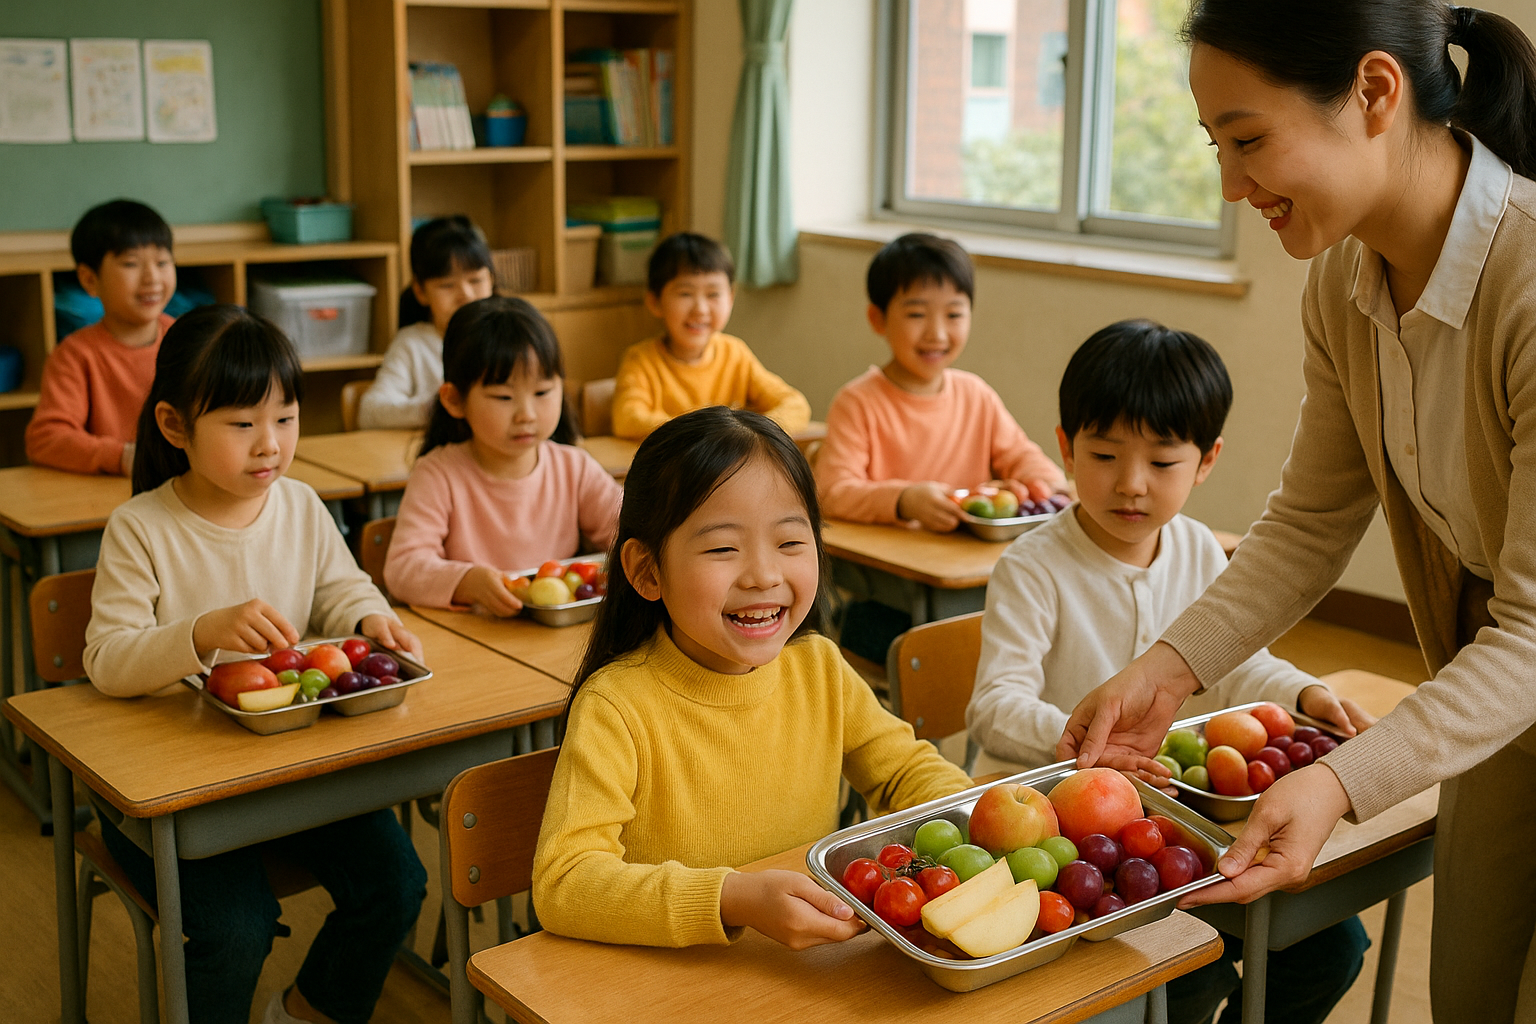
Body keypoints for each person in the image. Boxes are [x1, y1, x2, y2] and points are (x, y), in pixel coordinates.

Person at [1057, 4, 1536, 1021]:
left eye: (1248, 140)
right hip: (1497, 706)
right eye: (1215, 146)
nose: (1232, 186)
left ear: (1373, 93)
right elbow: (1311, 523)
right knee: (1473, 996)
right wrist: (1166, 668)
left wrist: (1341, 782)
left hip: (1516, 664)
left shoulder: (1529, 278)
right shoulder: (1345, 286)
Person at [969, 319, 1373, 1024]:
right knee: (1177, 972)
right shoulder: (1032, 566)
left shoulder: (1198, 552)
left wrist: (1302, 691)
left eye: (1162, 463)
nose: (1131, 485)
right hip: (1053, 832)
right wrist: (1089, 747)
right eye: (1103, 454)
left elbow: (1240, 669)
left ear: (1206, 460)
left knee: (1333, 946)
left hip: (1170, 817)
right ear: (1064, 448)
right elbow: (995, 706)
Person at [82, 305, 426, 1024]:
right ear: (175, 427)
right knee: (235, 926)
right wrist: (201, 630)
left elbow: (339, 585)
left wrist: (369, 617)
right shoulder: (141, 526)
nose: (268, 445)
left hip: (288, 768)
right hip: (176, 792)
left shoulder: (298, 504)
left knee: (397, 884)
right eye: (242, 425)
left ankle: (302, 1013)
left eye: (286, 419)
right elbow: (108, 661)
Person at [531, 407, 974, 948]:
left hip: (806, 973)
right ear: (648, 571)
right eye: (723, 548)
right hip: (665, 987)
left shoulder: (818, 669)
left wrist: (973, 816)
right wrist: (732, 898)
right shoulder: (617, 705)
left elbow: (904, 774)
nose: (764, 574)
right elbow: (565, 883)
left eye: (790, 542)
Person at [384, 296, 623, 613]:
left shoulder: (573, 467)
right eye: (503, 397)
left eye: (542, 393)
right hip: (475, 639)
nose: (526, 414)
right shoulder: (438, 473)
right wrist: (467, 581)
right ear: (454, 400)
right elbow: (403, 568)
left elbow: (630, 530)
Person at [813, 232, 1065, 530]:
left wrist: (1045, 484)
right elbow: (832, 493)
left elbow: (1024, 457)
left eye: (954, 314)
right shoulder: (857, 402)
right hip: (896, 563)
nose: (938, 334)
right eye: (917, 314)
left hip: (965, 560)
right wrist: (904, 501)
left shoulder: (976, 395)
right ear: (878, 319)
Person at [610, 233, 810, 440]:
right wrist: (706, 434)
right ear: (655, 302)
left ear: (731, 297)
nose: (701, 309)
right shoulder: (641, 360)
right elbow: (627, 419)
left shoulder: (735, 353)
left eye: (713, 294)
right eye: (685, 294)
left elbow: (795, 405)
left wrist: (750, 433)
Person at [26, 199, 176, 475]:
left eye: (163, 262)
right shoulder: (75, 355)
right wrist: (123, 456)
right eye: (131, 264)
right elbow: (46, 438)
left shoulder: (189, 341)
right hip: (110, 496)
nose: (152, 278)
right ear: (89, 280)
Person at [357, 215, 496, 429]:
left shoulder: (509, 335)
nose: (466, 295)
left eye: (476, 280)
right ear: (421, 291)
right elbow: (370, 412)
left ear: (492, 280)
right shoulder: (413, 344)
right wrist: (436, 408)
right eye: (447, 285)